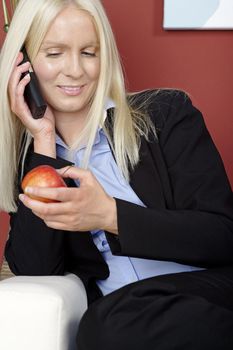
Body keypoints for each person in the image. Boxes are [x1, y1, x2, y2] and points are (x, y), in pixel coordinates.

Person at [0, 0, 233, 349]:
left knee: (106, 325)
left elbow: (223, 236)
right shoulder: (34, 162)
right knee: (105, 325)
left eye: (89, 53)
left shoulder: (166, 114)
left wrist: (110, 215)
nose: (75, 70)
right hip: (129, 324)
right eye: (55, 53)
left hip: (204, 296)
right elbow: (35, 268)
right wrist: (43, 139)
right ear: (24, 66)